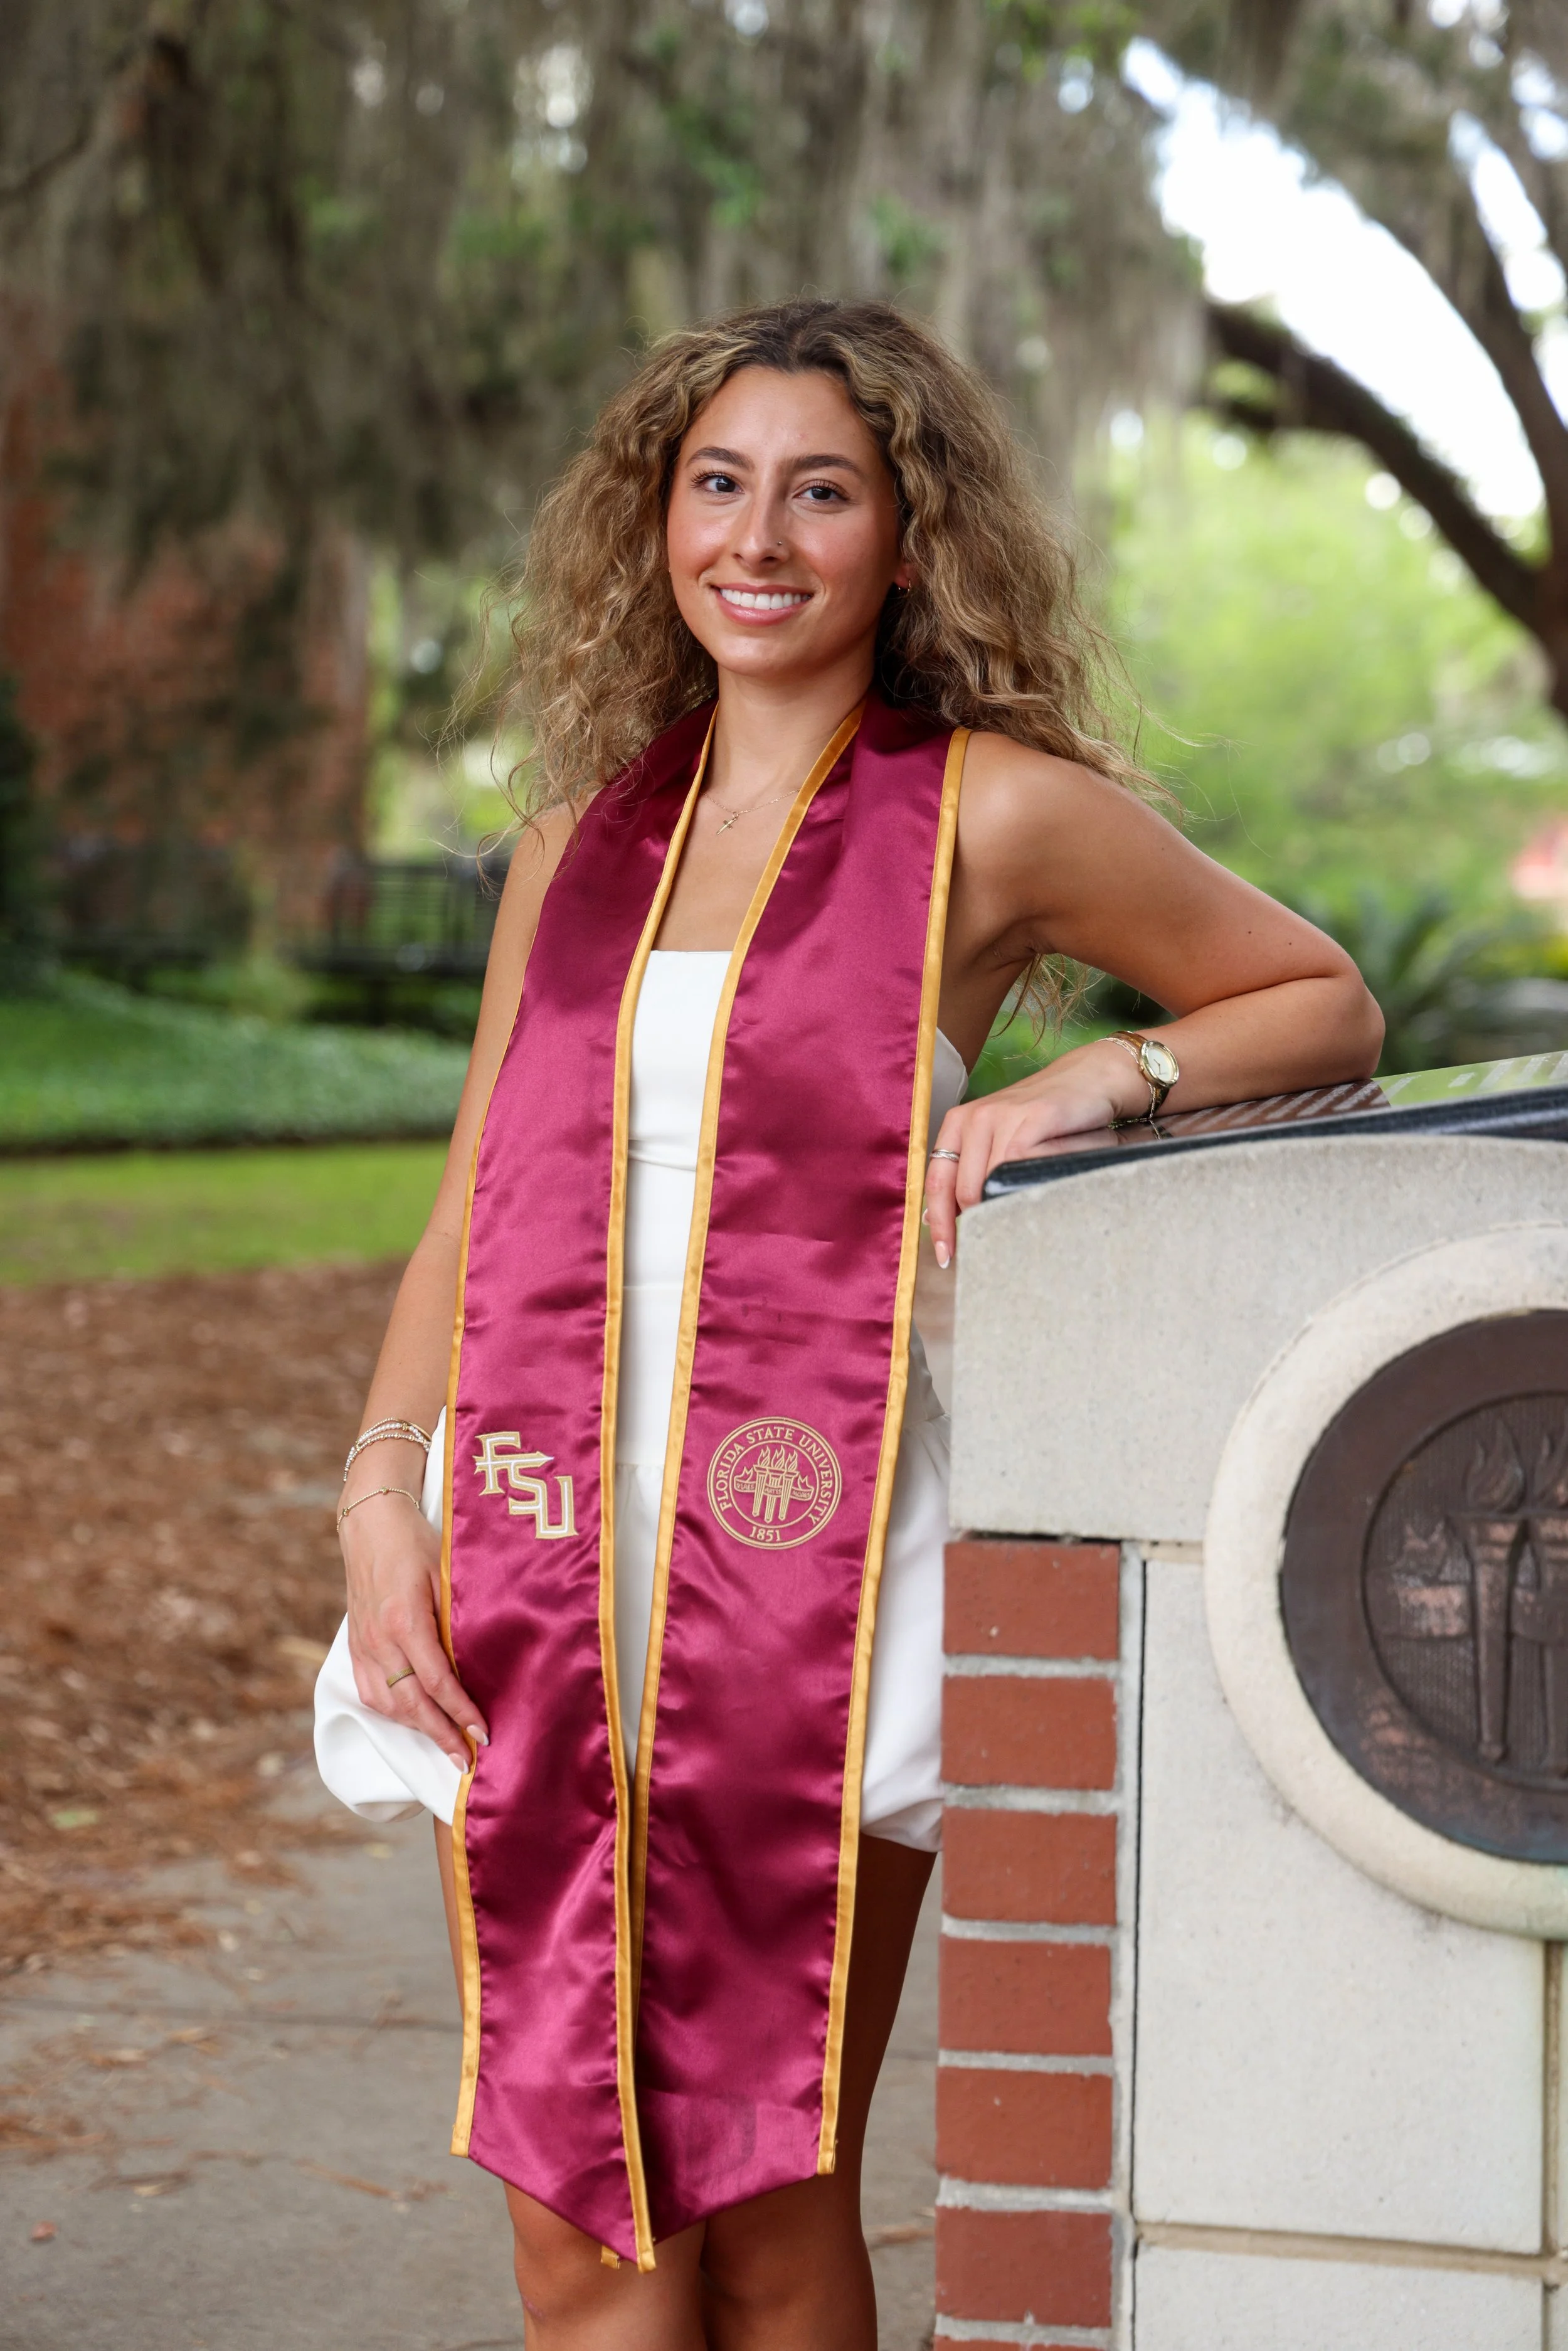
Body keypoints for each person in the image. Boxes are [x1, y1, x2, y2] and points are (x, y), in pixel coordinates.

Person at [314, 297, 1381, 2348]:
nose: (761, 537)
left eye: (824, 489)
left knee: (768, 2181)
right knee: (573, 2207)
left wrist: (1088, 1082)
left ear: (908, 532)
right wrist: (381, 1495)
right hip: (536, 1528)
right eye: (717, 483)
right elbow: (477, 1199)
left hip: (806, 1541)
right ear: (654, 522)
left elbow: (1315, 995)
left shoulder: (985, 811)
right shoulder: (570, 846)